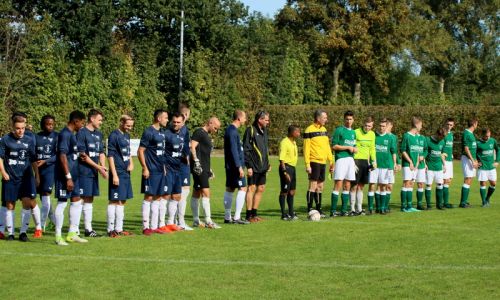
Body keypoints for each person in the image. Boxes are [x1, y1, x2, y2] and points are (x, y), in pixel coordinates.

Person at [0, 114, 40, 241]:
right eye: (18, 128)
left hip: (26, 177)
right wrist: (3, 172)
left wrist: (37, 175)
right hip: (10, 177)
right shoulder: (5, 139)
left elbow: (33, 159)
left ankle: (23, 233)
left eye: (22, 128)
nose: (20, 131)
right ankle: (11, 233)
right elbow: (0, 158)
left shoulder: (29, 140)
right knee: (10, 205)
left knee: (27, 203)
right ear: (13, 127)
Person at [54, 110, 88, 245]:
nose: (82, 125)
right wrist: (68, 177)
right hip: (65, 176)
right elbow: (62, 156)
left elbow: (70, 154)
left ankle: (72, 234)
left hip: (74, 175)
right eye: (82, 123)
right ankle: (58, 236)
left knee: (76, 201)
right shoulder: (64, 134)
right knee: (62, 203)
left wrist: (80, 156)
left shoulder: (72, 135)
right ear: (76, 121)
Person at [77, 109, 108, 237]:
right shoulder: (81, 133)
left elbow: (101, 152)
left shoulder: (98, 134)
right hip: (83, 171)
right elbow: (82, 155)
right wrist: (98, 167)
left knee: (90, 198)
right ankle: (75, 229)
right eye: (99, 120)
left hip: (93, 172)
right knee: (79, 199)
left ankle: (88, 229)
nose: (101, 122)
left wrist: (103, 166)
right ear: (92, 119)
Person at [138, 109, 169, 235]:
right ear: (159, 118)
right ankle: (146, 227)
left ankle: (155, 226)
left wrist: (164, 167)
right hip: (151, 171)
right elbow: (140, 151)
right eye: (166, 117)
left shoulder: (162, 132)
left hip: (160, 171)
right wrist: (145, 167)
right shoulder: (149, 131)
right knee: (149, 197)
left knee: (158, 197)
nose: (167, 120)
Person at [190, 117, 221, 228]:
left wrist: (209, 169)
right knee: (206, 192)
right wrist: (196, 161)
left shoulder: (205, 134)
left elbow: (204, 154)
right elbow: (192, 146)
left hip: (204, 168)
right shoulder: (199, 132)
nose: (216, 130)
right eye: (215, 128)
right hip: (199, 168)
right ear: (210, 123)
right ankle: (208, 220)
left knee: (196, 192)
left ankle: (196, 220)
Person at [107, 115, 135, 237]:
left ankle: (119, 228)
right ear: (121, 123)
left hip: (125, 173)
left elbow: (128, 152)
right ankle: (110, 229)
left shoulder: (127, 136)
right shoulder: (114, 135)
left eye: (131, 126)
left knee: (122, 200)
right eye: (128, 125)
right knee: (114, 200)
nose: (129, 128)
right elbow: (110, 156)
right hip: (117, 172)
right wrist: (114, 175)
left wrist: (131, 163)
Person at [303, 109, 334, 218]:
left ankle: (319, 208)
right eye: (324, 118)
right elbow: (306, 149)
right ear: (318, 118)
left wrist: (331, 161)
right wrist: (307, 164)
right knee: (313, 185)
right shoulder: (309, 130)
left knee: (320, 186)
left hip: (323, 162)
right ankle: (310, 209)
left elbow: (327, 147)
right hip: (313, 161)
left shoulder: (324, 129)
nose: (326, 119)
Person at [223, 110, 250, 225]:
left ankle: (227, 217)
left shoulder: (231, 130)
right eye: (244, 117)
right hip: (235, 166)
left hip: (231, 165)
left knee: (230, 188)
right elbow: (234, 150)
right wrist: (239, 167)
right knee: (243, 188)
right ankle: (237, 217)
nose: (245, 120)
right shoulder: (232, 131)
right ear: (239, 118)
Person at [243, 110, 271, 222]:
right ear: (260, 119)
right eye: (266, 120)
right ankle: (248, 215)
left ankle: (255, 214)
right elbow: (246, 149)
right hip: (253, 166)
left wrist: (267, 163)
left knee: (261, 188)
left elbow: (265, 148)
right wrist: (248, 166)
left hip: (263, 166)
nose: (268, 122)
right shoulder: (250, 130)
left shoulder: (264, 130)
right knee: (251, 188)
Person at [162, 112, 185, 232]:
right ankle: (160, 223)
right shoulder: (166, 134)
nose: (176, 124)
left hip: (178, 169)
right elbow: (160, 150)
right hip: (168, 168)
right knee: (165, 195)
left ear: (182, 122)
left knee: (177, 196)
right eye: (174, 122)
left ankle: (170, 222)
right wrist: (163, 165)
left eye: (178, 122)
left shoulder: (183, 133)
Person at [330, 111, 356, 217]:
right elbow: (334, 146)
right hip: (341, 159)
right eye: (347, 119)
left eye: (350, 119)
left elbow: (353, 146)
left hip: (350, 160)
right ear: (344, 119)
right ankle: (333, 210)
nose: (349, 121)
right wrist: (347, 147)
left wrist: (354, 150)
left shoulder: (353, 133)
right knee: (338, 184)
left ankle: (344, 210)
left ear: (353, 120)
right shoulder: (339, 130)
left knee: (347, 185)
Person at [368, 118, 397, 214]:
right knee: (372, 185)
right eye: (380, 126)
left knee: (383, 187)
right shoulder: (373, 136)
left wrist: (395, 164)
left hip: (385, 166)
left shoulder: (389, 138)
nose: (382, 128)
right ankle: (371, 208)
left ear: (386, 126)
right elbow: (369, 150)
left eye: (384, 126)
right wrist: (369, 163)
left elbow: (393, 152)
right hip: (374, 165)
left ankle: (382, 208)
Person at [35, 115, 58, 231]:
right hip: (38, 171)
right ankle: (54, 221)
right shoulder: (37, 137)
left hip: (50, 170)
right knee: (43, 199)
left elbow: (59, 155)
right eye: (48, 124)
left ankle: (41, 225)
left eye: (52, 124)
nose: (50, 126)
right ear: (43, 125)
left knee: (46, 195)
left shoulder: (57, 137)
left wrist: (46, 161)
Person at [351, 116, 376, 215]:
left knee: (361, 186)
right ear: (363, 124)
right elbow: (352, 146)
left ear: (372, 126)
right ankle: (352, 209)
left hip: (365, 162)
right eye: (366, 125)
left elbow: (372, 149)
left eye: (369, 126)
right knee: (354, 185)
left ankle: (359, 208)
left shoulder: (372, 134)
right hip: (356, 161)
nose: (367, 128)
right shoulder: (356, 132)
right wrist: (352, 161)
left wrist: (374, 161)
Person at [400, 116, 425, 212]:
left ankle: (409, 206)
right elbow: (403, 150)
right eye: (421, 125)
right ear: (416, 124)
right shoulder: (406, 135)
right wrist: (410, 161)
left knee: (411, 183)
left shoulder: (417, 137)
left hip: (415, 165)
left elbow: (418, 152)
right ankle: (403, 206)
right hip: (407, 164)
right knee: (406, 183)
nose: (421, 127)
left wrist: (417, 163)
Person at [278, 125, 300, 220]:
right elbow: (281, 159)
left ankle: (291, 212)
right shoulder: (284, 142)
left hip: (293, 168)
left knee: (292, 191)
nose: (299, 134)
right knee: (284, 192)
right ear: (292, 132)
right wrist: (284, 172)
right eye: (297, 132)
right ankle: (283, 214)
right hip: (286, 168)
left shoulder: (294, 142)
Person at [176, 104, 192, 230]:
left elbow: (186, 145)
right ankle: (179, 221)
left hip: (184, 164)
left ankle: (178, 220)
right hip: (178, 165)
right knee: (181, 192)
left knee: (184, 191)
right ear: (185, 115)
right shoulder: (173, 129)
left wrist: (188, 154)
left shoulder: (185, 129)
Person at [424, 128, 447, 209]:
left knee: (440, 185)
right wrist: (424, 164)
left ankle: (439, 205)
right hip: (430, 167)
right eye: (441, 137)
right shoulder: (427, 140)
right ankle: (428, 205)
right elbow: (424, 152)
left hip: (439, 168)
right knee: (428, 185)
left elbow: (441, 154)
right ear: (437, 134)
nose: (441, 139)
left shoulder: (442, 141)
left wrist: (444, 164)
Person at [459, 117, 479, 208]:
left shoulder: (471, 133)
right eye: (477, 123)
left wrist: (475, 160)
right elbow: (466, 148)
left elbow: (472, 148)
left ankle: (465, 201)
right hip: (467, 159)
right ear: (474, 124)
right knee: (467, 178)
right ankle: (462, 203)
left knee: (469, 179)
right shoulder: (466, 133)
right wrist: (472, 160)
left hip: (471, 159)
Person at [476, 128, 498, 207]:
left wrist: (497, 161)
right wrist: (477, 161)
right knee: (483, 183)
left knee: (493, 183)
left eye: (488, 136)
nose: (487, 138)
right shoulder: (478, 143)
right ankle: (483, 202)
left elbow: (498, 150)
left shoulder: (493, 141)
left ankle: (487, 198)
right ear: (482, 135)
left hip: (491, 167)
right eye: (486, 136)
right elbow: (474, 153)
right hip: (482, 167)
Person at [383, 118, 400, 212]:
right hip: (383, 164)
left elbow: (395, 151)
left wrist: (398, 163)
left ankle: (386, 205)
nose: (386, 128)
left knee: (390, 186)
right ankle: (381, 206)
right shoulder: (380, 136)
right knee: (382, 186)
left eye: (388, 126)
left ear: (391, 126)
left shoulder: (393, 137)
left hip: (391, 164)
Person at [442, 118, 455, 208]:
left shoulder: (451, 135)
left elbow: (450, 147)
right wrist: (442, 159)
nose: (449, 126)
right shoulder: (443, 134)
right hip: (444, 160)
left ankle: (444, 201)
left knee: (449, 180)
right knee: (444, 181)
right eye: (448, 124)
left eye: (451, 125)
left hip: (450, 160)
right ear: (445, 124)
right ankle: (444, 202)